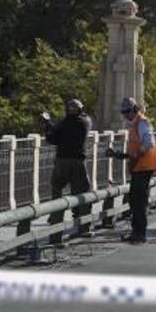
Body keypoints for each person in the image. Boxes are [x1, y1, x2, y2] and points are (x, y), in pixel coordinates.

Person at [43, 98, 92, 247]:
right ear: (81, 109)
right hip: (78, 163)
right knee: (83, 193)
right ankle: (84, 227)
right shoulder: (86, 122)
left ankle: (55, 224)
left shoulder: (64, 123)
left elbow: (53, 138)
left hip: (62, 162)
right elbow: (67, 129)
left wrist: (47, 124)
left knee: (57, 191)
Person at [120, 97, 156, 244]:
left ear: (134, 110)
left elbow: (148, 142)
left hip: (144, 166)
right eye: (123, 112)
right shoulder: (134, 124)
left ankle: (140, 233)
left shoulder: (142, 122)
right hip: (139, 166)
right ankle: (136, 232)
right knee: (135, 200)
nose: (125, 115)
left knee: (139, 201)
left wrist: (138, 154)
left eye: (127, 112)